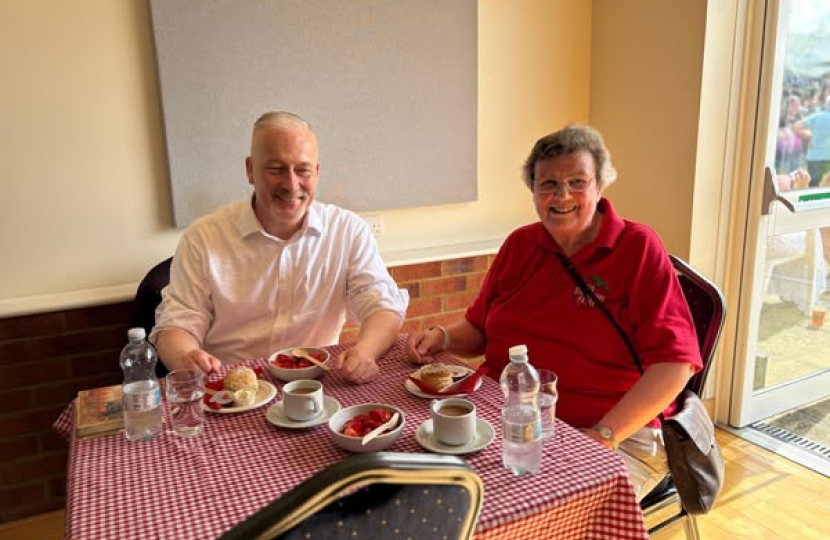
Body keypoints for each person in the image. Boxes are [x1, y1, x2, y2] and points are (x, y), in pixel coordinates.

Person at [406, 124, 701, 500]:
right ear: (533, 190)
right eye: (548, 184)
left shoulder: (637, 248)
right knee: (424, 484)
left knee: (509, 511)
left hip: (614, 431)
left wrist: (604, 435)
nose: (562, 195)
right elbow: (480, 330)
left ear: (599, 186)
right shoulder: (520, 245)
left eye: (578, 182)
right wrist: (442, 337)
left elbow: (675, 364)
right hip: (506, 417)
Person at [151, 111, 409, 383]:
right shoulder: (203, 238)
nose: (291, 184)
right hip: (233, 388)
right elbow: (177, 324)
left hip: (314, 386)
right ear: (250, 170)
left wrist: (366, 351)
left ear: (317, 173)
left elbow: (382, 303)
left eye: (303, 170)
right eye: (276, 169)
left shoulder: (348, 231)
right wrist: (186, 357)